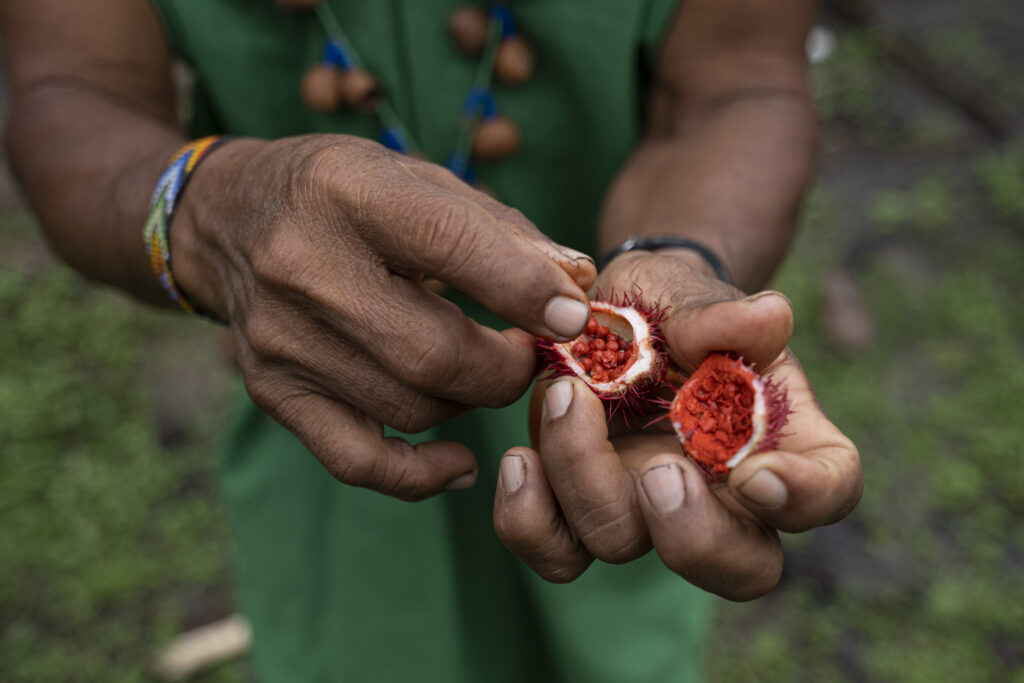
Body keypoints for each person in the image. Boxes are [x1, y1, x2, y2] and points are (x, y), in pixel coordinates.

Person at [1, 0, 862, 680]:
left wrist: (679, 256)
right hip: (318, 399)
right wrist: (207, 218)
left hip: (631, 437)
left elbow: (739, 81)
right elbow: (72, 92)